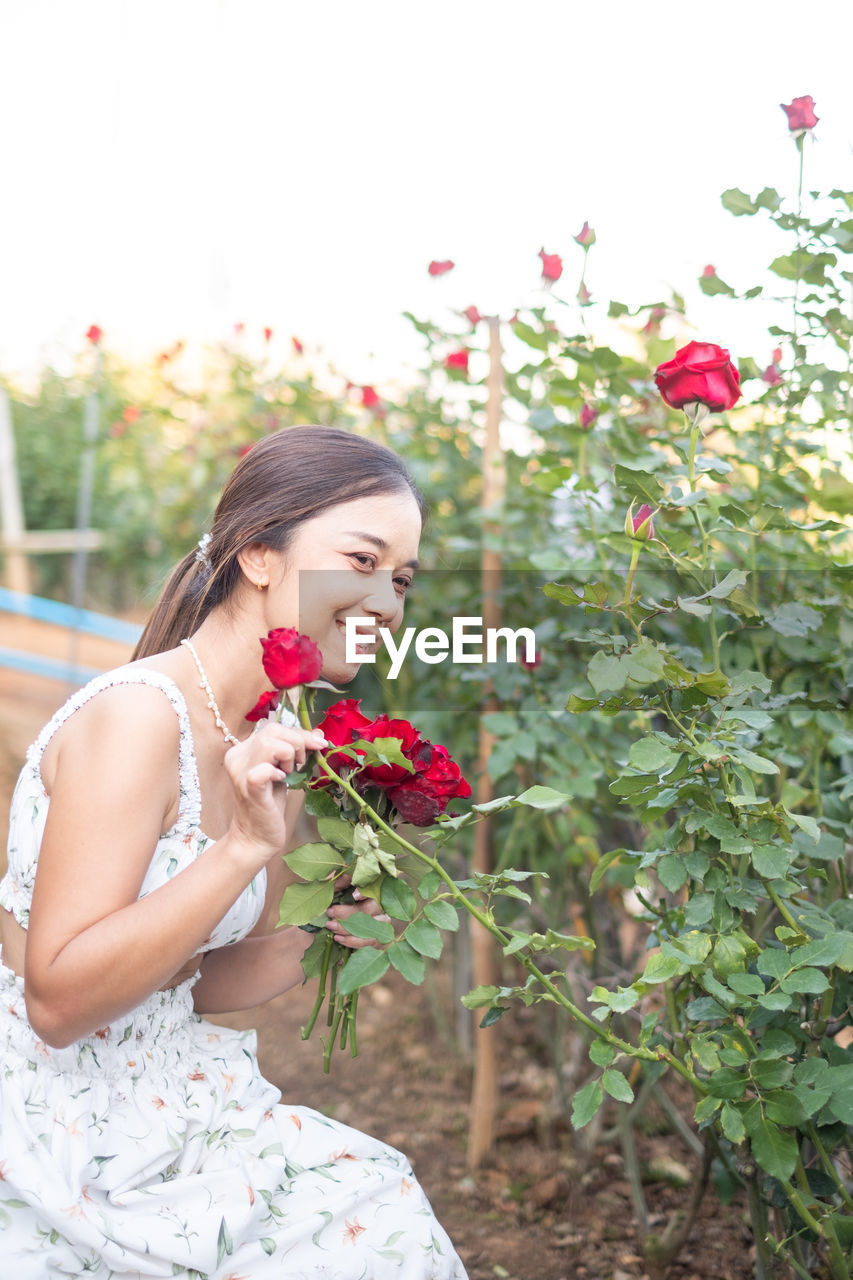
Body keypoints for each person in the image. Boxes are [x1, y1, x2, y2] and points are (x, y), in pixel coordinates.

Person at [0, 426, 468, 1279]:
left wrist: (322, 934)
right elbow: (60, 1003)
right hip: (59, 1122)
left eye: (400, 579)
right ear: (258, 556)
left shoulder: (271, 732)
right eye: (360, 561)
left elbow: (185, 980)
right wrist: (244, 851)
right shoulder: (139, 717)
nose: (389, 602)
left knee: (381, 1215)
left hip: (174, 1099)